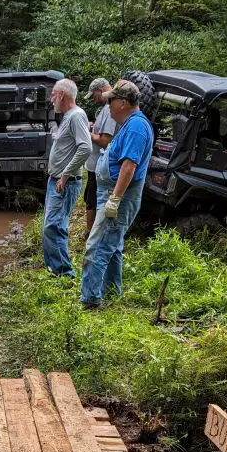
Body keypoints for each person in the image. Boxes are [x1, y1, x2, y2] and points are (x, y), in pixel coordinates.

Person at [80, 80, 154, 309]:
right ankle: (112, 291)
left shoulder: (136, 127)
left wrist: (115, 199)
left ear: (123, 102)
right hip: (110, 192)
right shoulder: (130, 123)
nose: (108, 105)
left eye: (111, 101)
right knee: (113, 246)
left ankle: (91, 300)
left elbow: (129, 166)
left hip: (119, 196)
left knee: (98, 246)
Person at [42, 78, 92, 277]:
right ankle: (54, 268)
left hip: (65, 182)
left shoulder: (76, 116)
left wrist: (65, 175)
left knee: (54, 226)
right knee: (51, 225)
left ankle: (64, 272)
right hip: (56, 180)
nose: (51, 99)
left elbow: (85, 148)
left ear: (62, 94)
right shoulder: (68, 116)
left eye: (53, 94)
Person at [85, 78, 118, 235]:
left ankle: (91, 233)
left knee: (93, 200)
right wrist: (93, 127)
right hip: (95, 165)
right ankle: (91, 232)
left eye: (93, 95)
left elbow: (105, 141)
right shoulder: (105, 108)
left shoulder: (110, 110)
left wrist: (88, 133)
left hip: (101, 166)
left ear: (103, 89)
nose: (92, 99)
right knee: (89, 198)